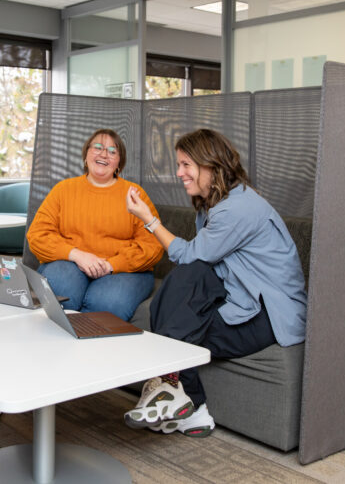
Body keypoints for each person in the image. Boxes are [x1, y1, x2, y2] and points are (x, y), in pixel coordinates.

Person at [123, 129, 307, 437]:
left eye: (186, 165)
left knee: (178, 316)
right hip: (238, 296)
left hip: (269, 315)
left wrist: (149, 220)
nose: (179, 173)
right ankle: (178, 398)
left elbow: (189, 256)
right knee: (176, 296)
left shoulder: (237, 209)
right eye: (178, 165)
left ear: (211, 166)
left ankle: (184, 400)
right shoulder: (216, 204)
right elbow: (200, 265)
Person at [26, 129, 164, 321]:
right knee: (60, 288)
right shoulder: (63, 190)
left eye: (112, 151)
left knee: (107, 303)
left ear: (119, 162)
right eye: (97, 147)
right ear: (86, 155)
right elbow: (38, 234)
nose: (104, 154)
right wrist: (77, 255)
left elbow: (152, 245)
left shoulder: (134, 194)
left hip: (122, 269)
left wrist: (110, 265)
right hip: (70, 263)